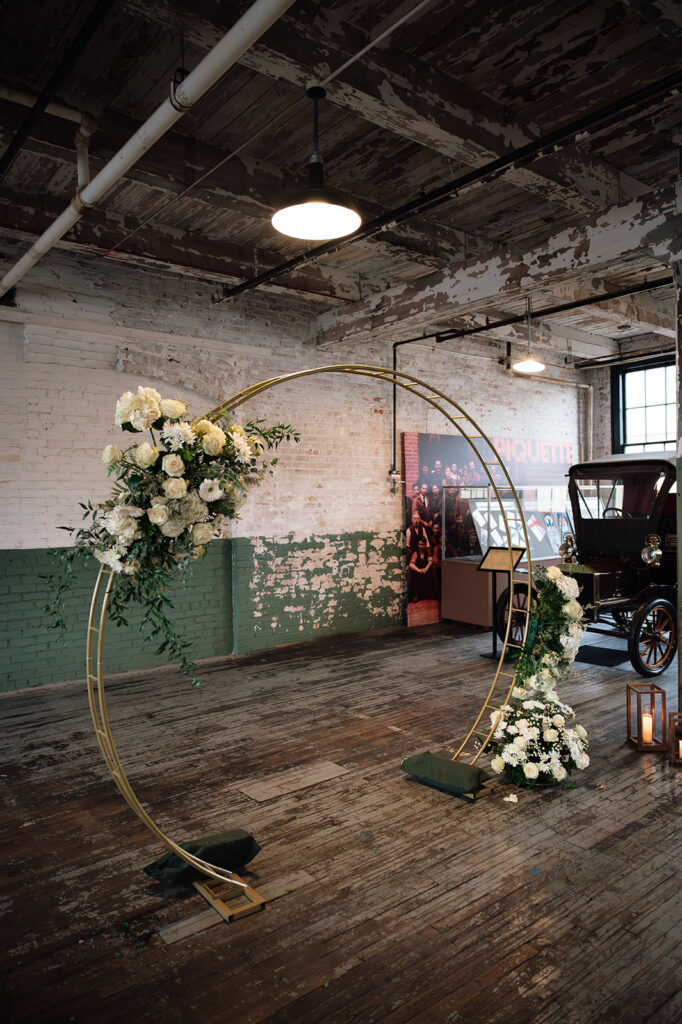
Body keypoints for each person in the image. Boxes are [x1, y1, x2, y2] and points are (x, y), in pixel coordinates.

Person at [407, 537, 434, 602]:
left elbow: (430, 560)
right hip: (418, 570)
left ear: (425, 545)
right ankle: (416, 595)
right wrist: (418, 570)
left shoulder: (427, 552)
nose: (421, 546)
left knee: (431, 571)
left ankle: (430, 593)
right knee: (414, 575)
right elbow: (411, 564)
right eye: (419, 544)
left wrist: (426, 568)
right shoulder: (416, 553)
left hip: (424, 570)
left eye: (422, 544)